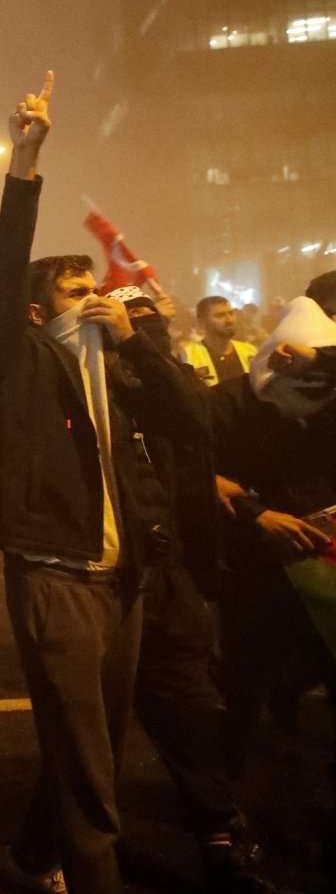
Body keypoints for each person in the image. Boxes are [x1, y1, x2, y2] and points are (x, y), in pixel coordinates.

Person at [0, 72, 206, 894]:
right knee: (88, 762)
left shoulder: (127, 364)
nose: (96, 301)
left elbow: (195, 420)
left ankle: (36, 852)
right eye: (78, 294)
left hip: (126, 579)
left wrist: (144, 339)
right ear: (43, 313)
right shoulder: (20, 360)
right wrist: (24, 164)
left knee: (98, 735)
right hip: (55, 575)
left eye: (97, 290)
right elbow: (5, 278)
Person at [105, 286, 278, 892]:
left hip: (171, 586)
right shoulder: (89, 389)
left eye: (152, 327)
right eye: (131, 326)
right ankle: (57, 846)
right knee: (91, 733)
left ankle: (219, 834)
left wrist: (135, 341)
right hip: (104, 590)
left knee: (189, 713)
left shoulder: (171, 387)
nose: (144, 337)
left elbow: (190, 412)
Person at [211, 295, 336, 790]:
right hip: (255, 565)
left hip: (325, 564)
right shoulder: (225, 404)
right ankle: (222, 799)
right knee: (242, 680)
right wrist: (256, 514)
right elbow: (183, 468)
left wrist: (320, 362)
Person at [182, 297, 257, 386]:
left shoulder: (250, 351)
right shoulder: (188, 356)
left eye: (231, 313)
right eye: (220, 315)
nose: (229, 320)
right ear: (202, 322)